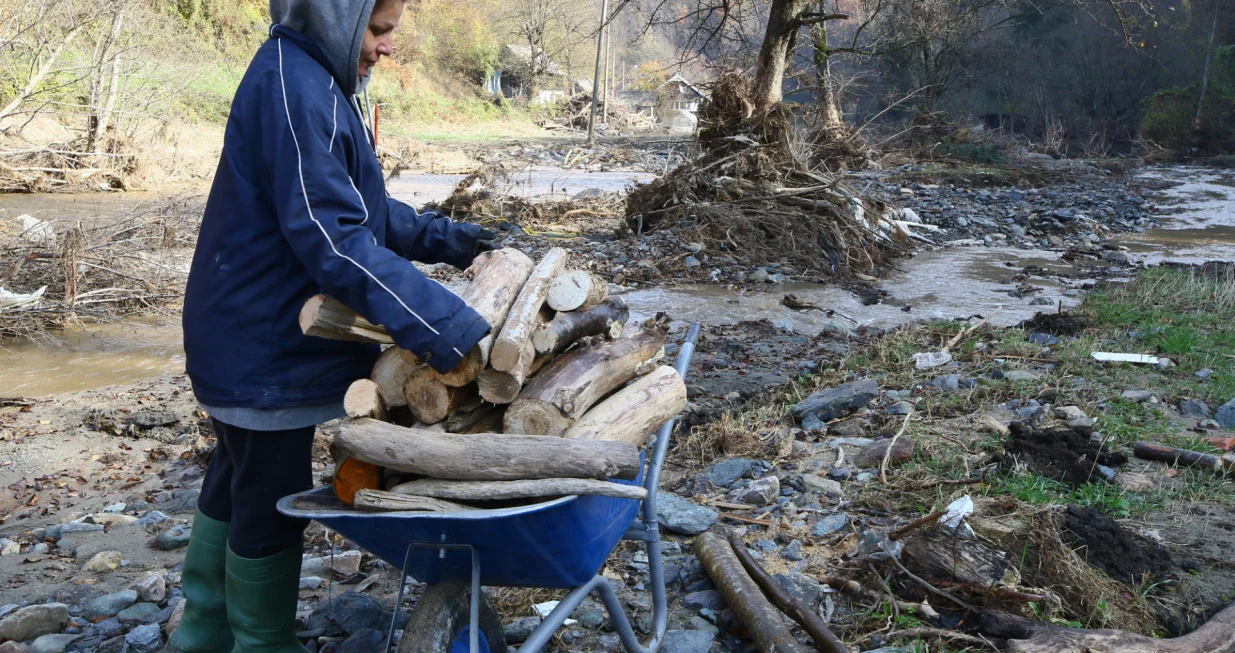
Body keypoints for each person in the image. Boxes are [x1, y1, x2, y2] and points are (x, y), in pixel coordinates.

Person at [171, 0, 494, 650]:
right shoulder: (295, 87)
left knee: (234, 476)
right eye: (377, 30)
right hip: (262, 344)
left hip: (243, 332)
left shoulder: (311, 78)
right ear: (337, 16)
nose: (386, 47)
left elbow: (363, 208)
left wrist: (457, 241)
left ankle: (203, 629)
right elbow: (333, 236)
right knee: (267, 496)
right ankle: (262, 643)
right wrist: (448, 323)